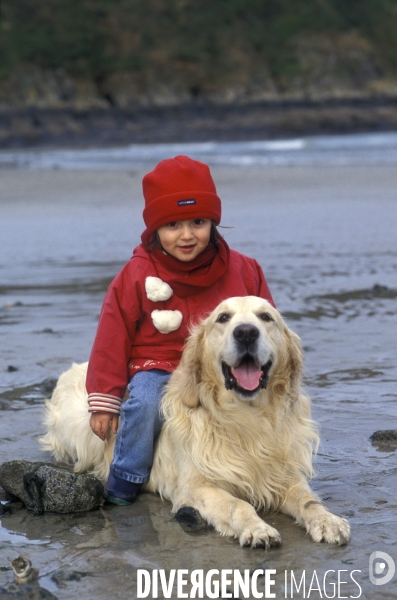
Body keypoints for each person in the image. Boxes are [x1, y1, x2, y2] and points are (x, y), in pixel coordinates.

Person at [86, 155, 275, 505]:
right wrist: (104, 401)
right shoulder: (137, 273)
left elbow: (269, 324)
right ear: (154, 229)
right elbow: (111, 338)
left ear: (213, 223)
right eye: (173, 224)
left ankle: (257, 470)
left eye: (198, 222)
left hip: (221, 365)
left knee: (258, 405)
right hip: (158, 366)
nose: (187, 235)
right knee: (144, 405)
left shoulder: (244, 270)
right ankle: (125, 481)